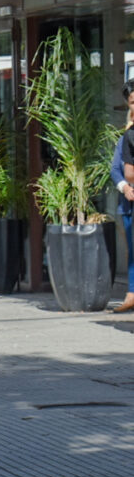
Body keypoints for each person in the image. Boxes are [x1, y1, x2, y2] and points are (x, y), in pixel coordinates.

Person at [110, 79, 134, 312]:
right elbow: (116, 170)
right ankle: (131, 292)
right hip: (128, 202)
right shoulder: (126, 138)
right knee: (133, 249)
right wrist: (124, 188)